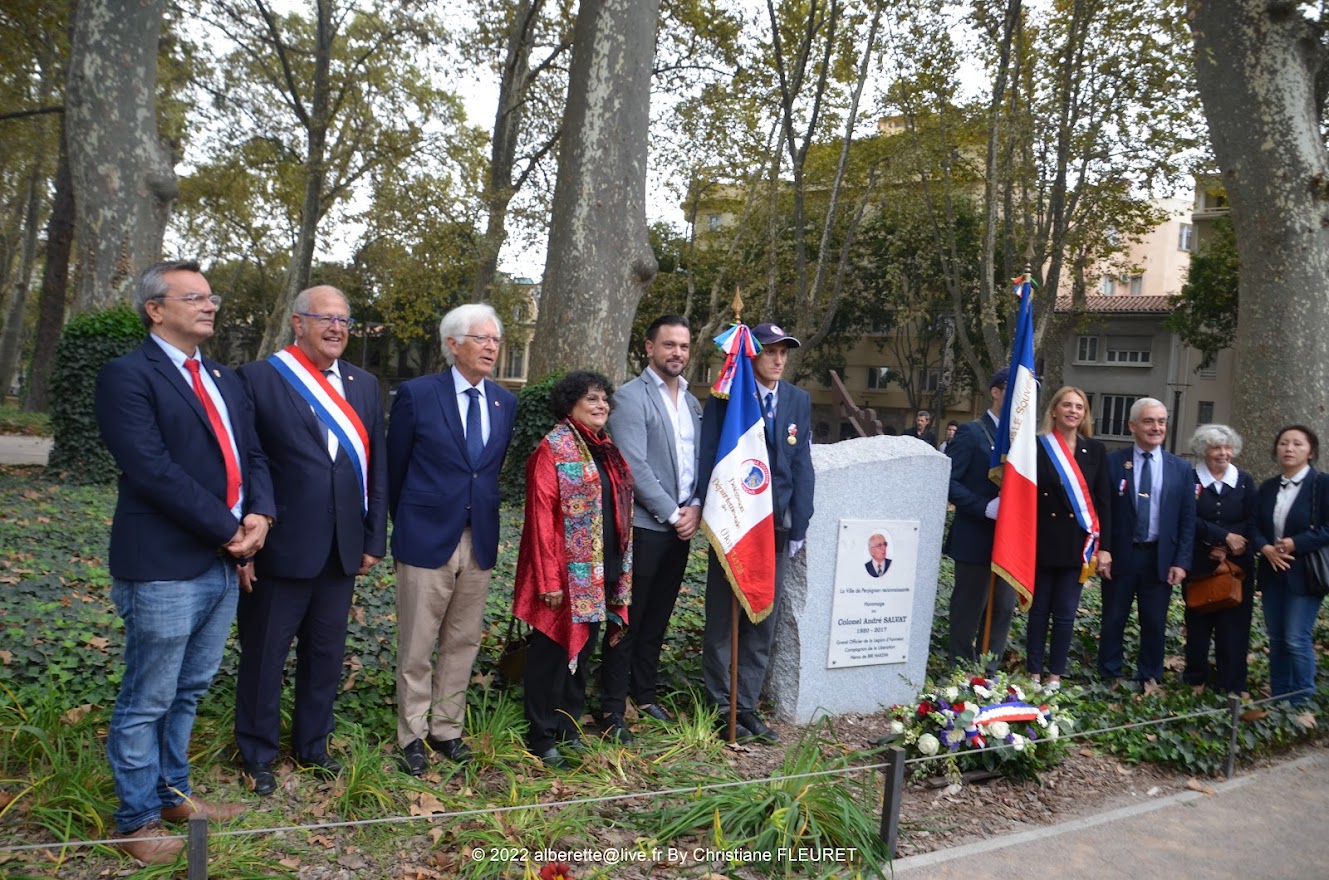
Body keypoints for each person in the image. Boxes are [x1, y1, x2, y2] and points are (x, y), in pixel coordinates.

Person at [95, 260, 274, 864]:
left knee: (190, 688)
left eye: (211, 297)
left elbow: (251, 454)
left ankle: (173, 795)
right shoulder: (127, 375)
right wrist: (228, 529)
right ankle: (136, 819)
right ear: (155, 308)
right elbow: (151, 469)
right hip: (163, 562)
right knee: (148, 695)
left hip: (223, 564)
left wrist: (261, 518)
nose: (210, 306)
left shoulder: (223, 376)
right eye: (194, 297)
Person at [233, 286, 388, 794]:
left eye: (345, 319)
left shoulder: (365, 385)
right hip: (279, 547)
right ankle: (256, 752)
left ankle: (313, 746)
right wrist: (244, 540)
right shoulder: (258, 378)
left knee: (325, 654)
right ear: (298, 323)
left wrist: (372, 537)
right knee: (265, 657)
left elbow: (377, 468)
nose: (337, 328)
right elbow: (245, 462)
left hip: (341, 547)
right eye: (325, 318)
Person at [388, 304, 518, 774]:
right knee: (418, 645)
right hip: (426, 538)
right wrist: (407, 522)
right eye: (481, 338)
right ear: (453, 344)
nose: (491, 347)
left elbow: (487, 471)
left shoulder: (506, 402)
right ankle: (412, 736)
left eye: (495, 340)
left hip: (478, 539)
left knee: (462, 642)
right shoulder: (418, 395)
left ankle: (447, 729)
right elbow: (396, 467)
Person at [696, 322, 814, 744]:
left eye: (785, 352)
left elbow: (802, 466)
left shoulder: (798, 400)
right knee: (722, 622)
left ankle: (744, 707)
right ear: (751, 354)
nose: (779, 360)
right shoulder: (727, 397)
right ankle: (719, 706)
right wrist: (699, 505)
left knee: (762, 619)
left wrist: (800, 523)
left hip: (776, 528)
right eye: (769, 351)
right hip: (733, 524)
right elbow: (710, 453)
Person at [514, 372, 633, 769]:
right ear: (570, 404)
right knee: (551, 655)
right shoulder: (553, 449)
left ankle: (567, 726)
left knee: (581, 655)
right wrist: (548, 580)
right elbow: (540, 518)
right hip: (563, 577)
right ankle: (541, 735)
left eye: (604, 399)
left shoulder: (605, 448)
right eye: (591, 399)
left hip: (601, 572)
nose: (601, 405)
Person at [601, 315, 701, 737]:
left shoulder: (694, 404)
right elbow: (632, 466)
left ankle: (645, 694)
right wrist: (674, 512)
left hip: (680, 527)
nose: (677, 352)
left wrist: (695, 505)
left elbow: (698, 463)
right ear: (649, 348)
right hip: (644, 527)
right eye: (668, 345)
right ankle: (611, 708)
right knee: (629, 619)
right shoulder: (629, 397)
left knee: (658, 617)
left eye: (683, 346)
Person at [1098, 397, 1196, 687]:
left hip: (1160, 557)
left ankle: (1149, 675)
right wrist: (1103, 550)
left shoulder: (1179, 468)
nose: (1156, 427)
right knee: (1113, 618)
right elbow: (1102, 510)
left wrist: (1181, 560)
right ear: (1132, 425)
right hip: (1120, 556)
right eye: (1149, 421)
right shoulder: (1113, 462)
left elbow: (1187, 518)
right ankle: (1109, 674)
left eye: (1161, 421)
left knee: (1154, 623)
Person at [1026, 386, 1111, 692]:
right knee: (1038, 612)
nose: (1073, 411)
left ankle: (1054, 677)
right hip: (1043, 542)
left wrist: (1106, 549)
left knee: (1064, 614)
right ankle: (1033, 673)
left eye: (1079, 407)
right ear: (1054, 410)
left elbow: (1104, 503)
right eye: (1067, 405)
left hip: (1078, 545)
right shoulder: (1036, 447)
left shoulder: (1096, 451)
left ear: (1084, 414)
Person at [1251, 425, 1329, 704]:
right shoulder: (1269, 486)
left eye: (1297, 444)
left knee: (1296, 637)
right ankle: (1280, 698)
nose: (1289, 449)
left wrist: (1298, 542)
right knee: (1277, 639)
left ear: (1311, 451)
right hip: (1273, 572)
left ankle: (1301, 701)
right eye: (1284, 443)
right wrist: (1265, 547)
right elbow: (1254, 525)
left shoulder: (1322, 484)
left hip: (1306, 574)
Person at [944, 368, 1014, 673]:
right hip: (975, 538)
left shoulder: (1022, 442)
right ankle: (960, 674)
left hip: (1009, 542)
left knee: (1002, 610)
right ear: (995, 392)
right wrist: (983, 507)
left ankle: (990, 674)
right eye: (1012, 389)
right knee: (969, 611)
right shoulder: (972, 432)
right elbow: (949, 481)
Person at [1182, 424, 1257, 695]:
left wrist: (1231, 546)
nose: (1222, 453)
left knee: (1235, 627)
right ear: (1204, 450)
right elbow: (1187, 516)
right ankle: (1195, 679)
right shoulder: (1190, 479)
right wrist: (1222, 537)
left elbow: (1253, 519)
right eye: (1215, 447)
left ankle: (1233, 683)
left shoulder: (1245, 480)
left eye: (1227, 447)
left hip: (1238, 564)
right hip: (1200, 562)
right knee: (1198, 624)